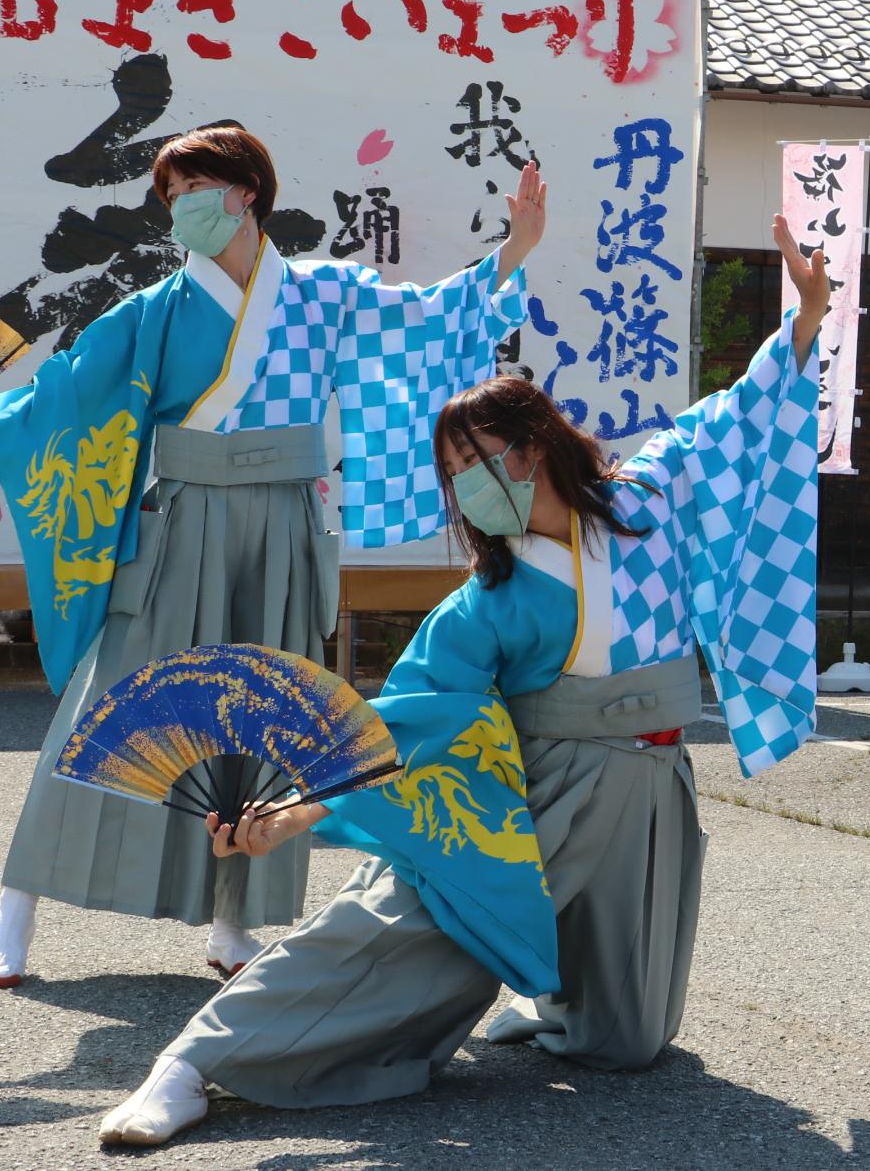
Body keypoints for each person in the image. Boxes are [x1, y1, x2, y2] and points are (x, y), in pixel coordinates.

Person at [95, 215, 827, 1147]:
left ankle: (546, 997)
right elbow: (404, 717)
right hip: (541, 791)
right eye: (453, 473)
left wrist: (805, 319)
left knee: (627, 1041)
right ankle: (196, 1062)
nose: (470, 483)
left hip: (652, 787)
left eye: (478, 460)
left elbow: (739, 418)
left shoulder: (649, 498)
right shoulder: (489, 599)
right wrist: (294, 812)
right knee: (404, 934)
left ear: (535, 445)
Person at [0, 128, 544, 987]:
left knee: (266, 713)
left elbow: (428, 318)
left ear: (246, 193)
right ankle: (17, 903)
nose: (181, 206)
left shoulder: (324, 293)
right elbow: (62, 393)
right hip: (186, 518)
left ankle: (234, 920)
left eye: (195, 187)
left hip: (284, 522)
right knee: (114, 702)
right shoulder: (157, 310)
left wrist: (514, 250)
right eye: (172, 194)